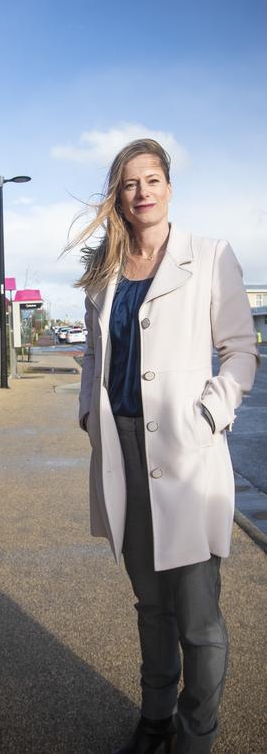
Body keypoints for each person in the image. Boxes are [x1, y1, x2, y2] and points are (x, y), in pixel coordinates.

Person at [68, 139, 258, 754]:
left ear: (169, 188)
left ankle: (196, 732)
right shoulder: (105, 271)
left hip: (186, 449)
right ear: (118, 198)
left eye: (152, 180)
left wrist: (210, 413)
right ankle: (155, 721)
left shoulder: (210, 256)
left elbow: (239, 351)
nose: (142, 191)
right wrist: (86, 412)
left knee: (199, 617)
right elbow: (97, 352)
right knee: (150, 605)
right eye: (129, 183)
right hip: (123, 449)